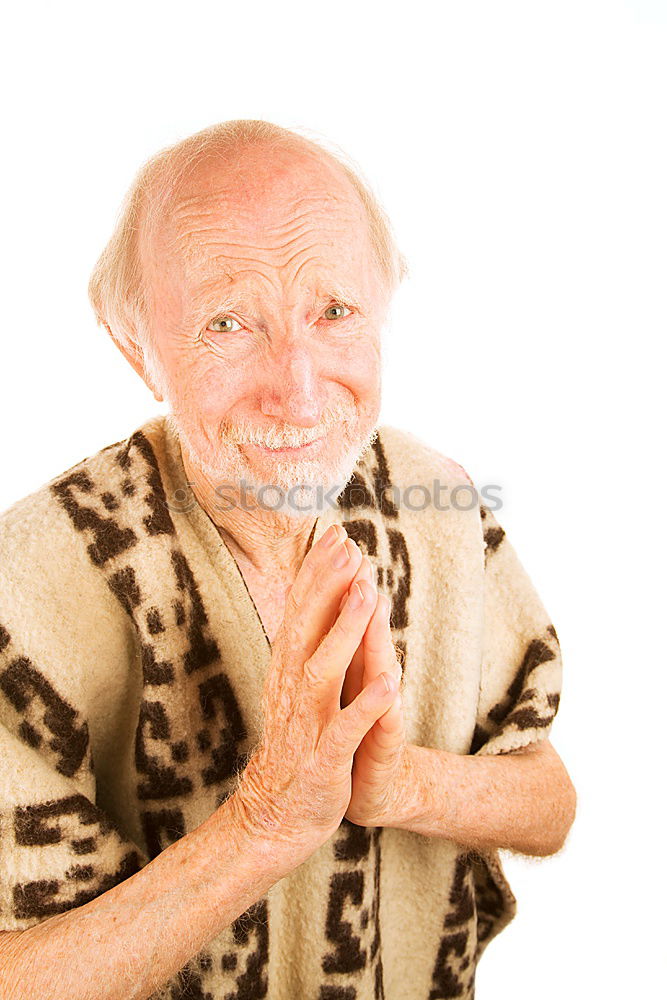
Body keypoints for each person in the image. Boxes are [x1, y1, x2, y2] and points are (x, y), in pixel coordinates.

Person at [0, 119, 576, 1000]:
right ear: (135, 348)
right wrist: (265, 822)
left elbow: (547, 802)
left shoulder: (441, 506)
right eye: (227, 324)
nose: (299, 390)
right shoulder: (36, 577)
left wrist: (400, 783)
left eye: (333, 312)